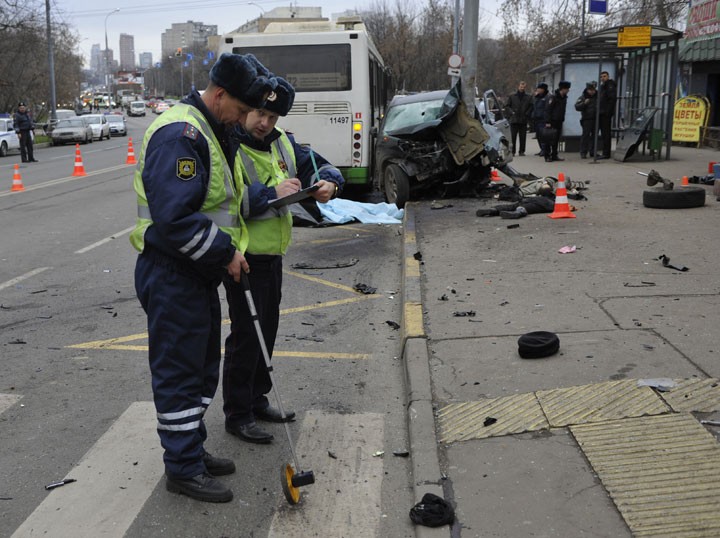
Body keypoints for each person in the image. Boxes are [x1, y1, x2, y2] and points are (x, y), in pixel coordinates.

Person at [130, 53, 275, 503]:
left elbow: (218, 203)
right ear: (219, 95)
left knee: (199, 370)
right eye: (241, 108)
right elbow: (174, 219)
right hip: (173, 272)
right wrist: (225, 251)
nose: (246, 118)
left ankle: (190, 448)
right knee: (179, 373)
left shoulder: (213, 130)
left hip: (195, 273)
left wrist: (224, 252)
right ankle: (182, 468)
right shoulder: (182, 133)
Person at [223, 75, 344, 444]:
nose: (264, 123)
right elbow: (225, 201)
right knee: (247, 335)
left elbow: (318, 166)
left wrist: (328, 183)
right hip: (243, 255)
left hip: (273, 255)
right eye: (260, 113)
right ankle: (238, 413)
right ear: (247, 109)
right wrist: (270, 194)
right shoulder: (229, 146)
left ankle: (257, 398)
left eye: (272, 117)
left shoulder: (282, 145)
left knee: (268, 330)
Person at [543, 80, 571, 162]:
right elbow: (548, 110)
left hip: (559, 121)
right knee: (548, 138)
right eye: (567, 89)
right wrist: (547, 122)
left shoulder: (564, 98)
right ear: (563, 89)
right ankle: (547, 155)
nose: (568, 91)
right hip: (552, 121)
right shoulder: (553, 97)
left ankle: (554, 155)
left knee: (556, 139)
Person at [506, 81, 533, 156]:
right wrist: (511, 112)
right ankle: (512, 151)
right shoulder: (512, 96)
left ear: (525, 87)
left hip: (523, 119)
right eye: (521, 87)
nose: (522, 88)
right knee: (513, 137)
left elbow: (531, 106)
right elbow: (507, 106)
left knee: (523, 136)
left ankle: (521, 151)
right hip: (514, 119)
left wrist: (527, 113)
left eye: (524, 87)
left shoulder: (528, 97)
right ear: (518, 86)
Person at [574, 82, 597, 159]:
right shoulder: (583, 97)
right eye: (590, 90)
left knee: (594, 136)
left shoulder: (597, 96)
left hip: (596, 119)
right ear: (587, 90)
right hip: (586, 119)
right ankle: (583, 152)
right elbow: (577, 107)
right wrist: (584, 103)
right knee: (585, 136)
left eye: (593, 90)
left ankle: (593, 152)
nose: (592, 91)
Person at [598, 71, 617, 159]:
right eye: (601, 77)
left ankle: (606, 153)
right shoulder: (603, 87)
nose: (603, 78)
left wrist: (607, 112)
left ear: (608, 76)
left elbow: (611, 100)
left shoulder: (609, 86)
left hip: (605, 113)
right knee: (604, 133)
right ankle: (605, 152)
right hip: (602, 113)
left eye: (604, 76)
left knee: (606, 133)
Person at [531, 83, 549, 157]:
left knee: (543, 136)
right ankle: (541, 149)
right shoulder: (537, 97)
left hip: (543, 119)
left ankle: (544, 150)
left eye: (539, 88)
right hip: (536, 119)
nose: (537, 90)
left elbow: (547, 109)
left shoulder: (547, 97)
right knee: (538, 136)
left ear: (543, 89)